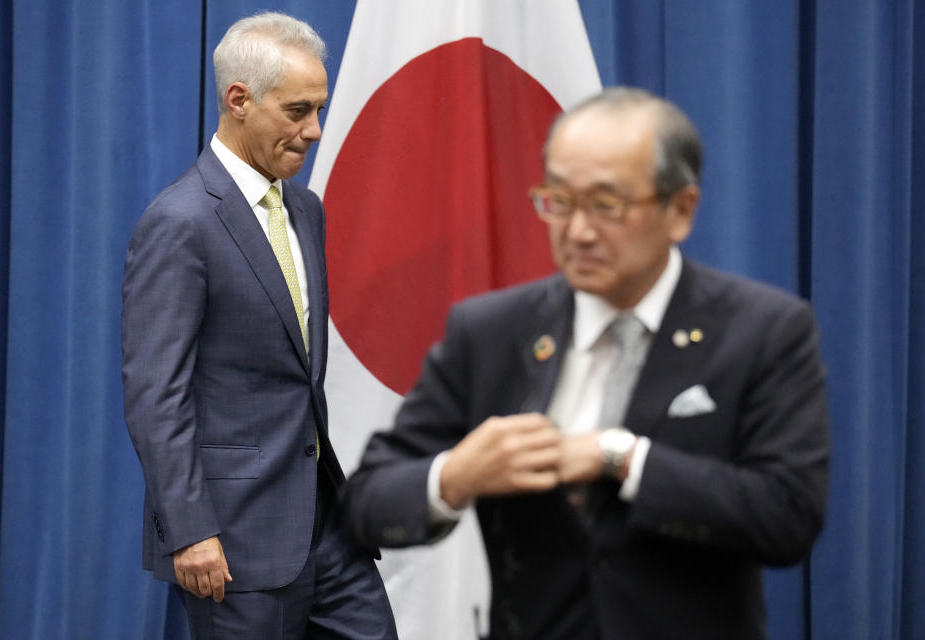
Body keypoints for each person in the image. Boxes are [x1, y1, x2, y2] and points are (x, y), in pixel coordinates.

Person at [342, 87, 830, 640]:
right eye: (560, 201)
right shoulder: (492, 332)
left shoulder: (762, 331)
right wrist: (456, 475)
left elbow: (788, 517)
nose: (577, 232)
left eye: (606, 205)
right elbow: (367, 501)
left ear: (680, 210)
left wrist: (619, 457)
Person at [121, 12, 396, 639]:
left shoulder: (305, 208)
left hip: (326, 525)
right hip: (234, 541)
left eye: (319, 110)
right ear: (238, 100)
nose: (315, 130)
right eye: (298, 111)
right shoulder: (180, 221)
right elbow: (155, 395)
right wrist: (190, 529)